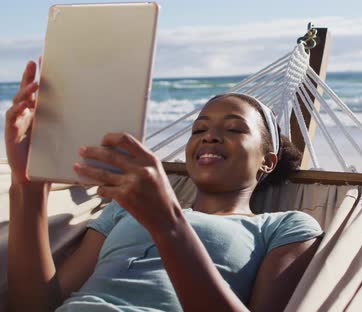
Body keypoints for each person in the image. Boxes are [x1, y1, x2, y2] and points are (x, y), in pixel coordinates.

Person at [6, 60, 324, 311]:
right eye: (198, 129)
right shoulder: (125, 209)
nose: (208, 136)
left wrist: (167, 223)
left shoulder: (284, 226)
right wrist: (28, 185)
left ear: (268, 161)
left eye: (234, 128)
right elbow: (37, 305)